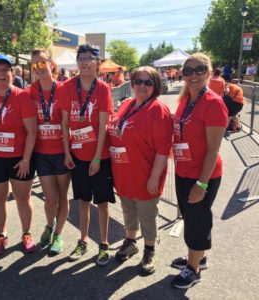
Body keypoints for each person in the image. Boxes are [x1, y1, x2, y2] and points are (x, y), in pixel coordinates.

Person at [170, 53, 228, 289]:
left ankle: (193, 270)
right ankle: (198, 257)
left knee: (197, 221)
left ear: (208, 72)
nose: (193, 75)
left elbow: (213, 150)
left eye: (200, 69)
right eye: (188, 70)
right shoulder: (186, 99)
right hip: (183, 170)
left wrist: (201, 184)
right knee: (191, 217)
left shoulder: (213, 103)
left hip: (203, 175)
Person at [108, 66, 173, 275]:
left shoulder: (158, 109)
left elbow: (163, 149)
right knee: (128, 210)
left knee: (147, 215)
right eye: (138, 81)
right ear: (132, 83)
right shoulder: (126, 104)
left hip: (145, 174)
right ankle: (130, 241)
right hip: (124, 172)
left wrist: (154, 177)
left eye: (148, 82)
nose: (142, 86)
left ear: (155, 85)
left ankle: (150, 250)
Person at [0, 54, 37, 255]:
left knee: (22, 197)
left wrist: (26, 159)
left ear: (12, 73)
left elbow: (32, 131)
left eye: (6, 70)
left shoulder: (22, 96)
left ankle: (26, 233)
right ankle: (1, 234)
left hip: (19, 159)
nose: (1, 74)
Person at [60, 44, 115, 266]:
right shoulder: (67, 87)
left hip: (99, 158)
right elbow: (64, 124)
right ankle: (82, 240)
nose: (84, 62)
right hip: (77, 155)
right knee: (83, 201)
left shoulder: (103, 88)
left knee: (102, 202)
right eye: (80, 58)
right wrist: (67, 153)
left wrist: (97, 158)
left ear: (97, 63)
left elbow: (103, 126)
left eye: (89, 58)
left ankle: (103, 244)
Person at [25, 48, 70, 254]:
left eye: (42, 63)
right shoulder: (29, 92)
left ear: (51, 64)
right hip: (41, 153)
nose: (39, 68)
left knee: (62, 196)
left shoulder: (64, 89)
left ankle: (59, 234)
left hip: (62, 152)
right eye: (35, 65)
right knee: (50, 199)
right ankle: (49, 225)